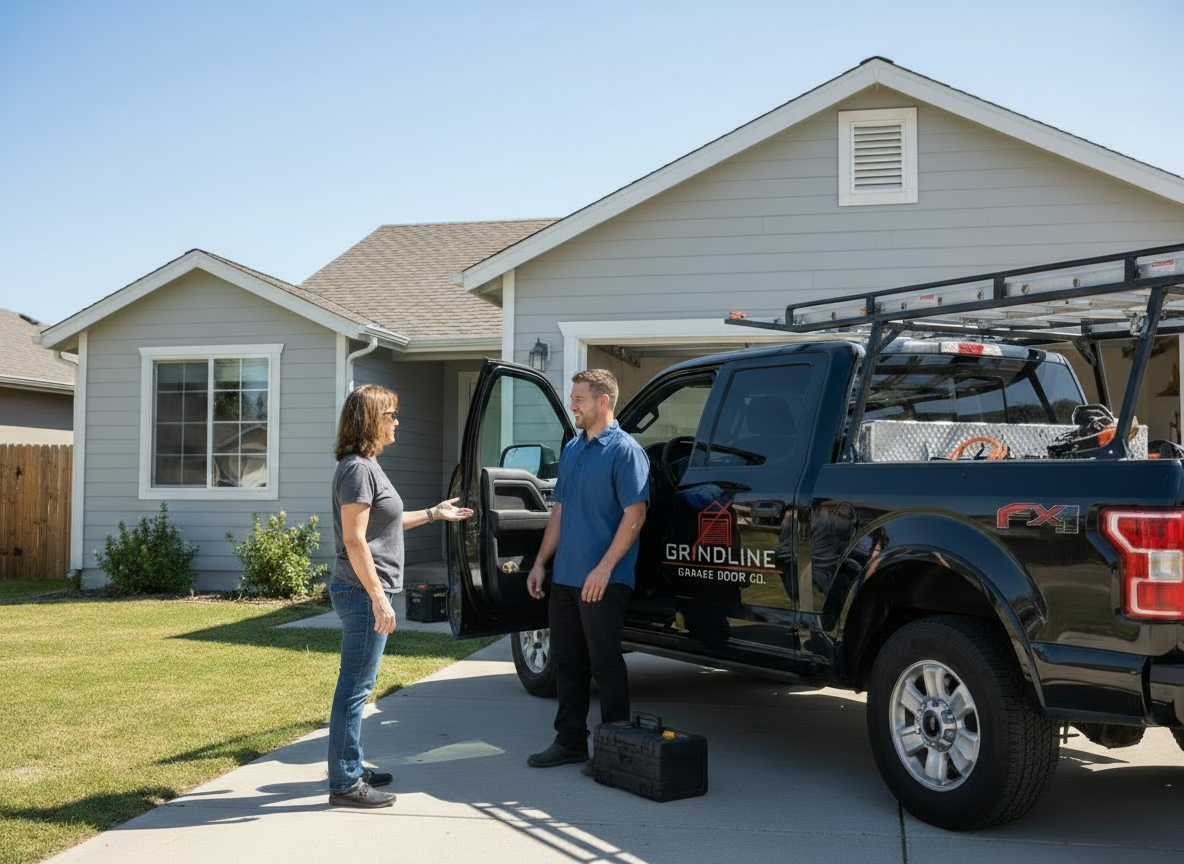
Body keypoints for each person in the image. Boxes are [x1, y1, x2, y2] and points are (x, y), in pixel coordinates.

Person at [327, 384, 473, 808]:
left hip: (364, 590)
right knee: (354, 688)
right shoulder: (356, 469)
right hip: (359, 591)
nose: (397, 422)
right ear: (371, 420)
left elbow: (383, 525)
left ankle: (348, 764)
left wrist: (433, 514)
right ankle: (345, 783)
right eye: (390, 414)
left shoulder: (368, 466)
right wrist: (378, 596)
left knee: (358, 685)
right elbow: (355, 541)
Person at [525, 369, 649, 769]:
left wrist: (603, 569)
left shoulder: (626, 451)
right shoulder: (574, 449)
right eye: (573, 398)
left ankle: (617, 749)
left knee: (606, 664)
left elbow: (636, 513)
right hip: (565, 578)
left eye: (579, 398)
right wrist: (541, 562)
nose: (572, 405)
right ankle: (571, 740)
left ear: (603, 401)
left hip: (603, 581)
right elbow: (559, 510)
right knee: (567, 661)